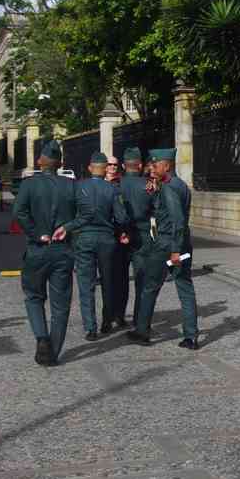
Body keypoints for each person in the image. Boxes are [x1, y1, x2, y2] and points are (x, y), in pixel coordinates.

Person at [126, 148, 199, 349]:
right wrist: (156, 191)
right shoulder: (178, 185)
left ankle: (142, 331)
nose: (152, 167)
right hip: (183, 243)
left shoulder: (169, 188)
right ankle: (191, 336)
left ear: (167, 166)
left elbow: (176, 220)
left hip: (168, 245)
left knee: (150, 286)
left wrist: (174, 250)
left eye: (155, 165)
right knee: (185, 287)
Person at [14, 141, 78, 365]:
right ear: (60, 164)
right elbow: (83, 215)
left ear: (40, 161)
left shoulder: (28, 185)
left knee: (33, 297)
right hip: (63, 250)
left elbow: (19, 212)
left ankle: (42, 337)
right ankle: (54, 352)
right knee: (60, 305)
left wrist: (36, 234)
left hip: (37, 249)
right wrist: (67, 228)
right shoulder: (71, 185)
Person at [56, 152, 129, 341]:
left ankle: (90, 327)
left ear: (89, 168)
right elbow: (121, 218)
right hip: (106, 239)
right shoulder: (113, 190)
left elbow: (73, 215)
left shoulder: (78, 187)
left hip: (84, 238)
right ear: (105, 169)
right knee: (108, 281)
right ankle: (107, 321)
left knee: (86, 284)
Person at [114, 147, 149, 330]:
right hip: (142, 235)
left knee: (120, 278)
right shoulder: (149, 185)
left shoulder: (116, 185)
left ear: (123, 165)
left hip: (120, 235)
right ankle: (139, 319)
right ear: (141, 165)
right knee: (141, 281)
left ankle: (119, 315)